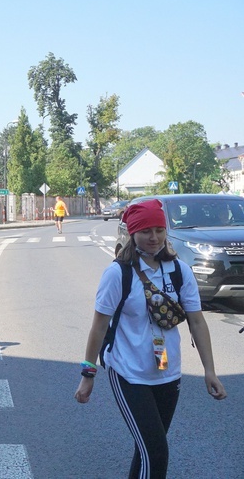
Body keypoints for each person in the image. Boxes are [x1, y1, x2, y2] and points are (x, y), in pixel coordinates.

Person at [75, 199, 226, 478]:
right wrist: (88, 373)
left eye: (159, 229)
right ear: (133, 233)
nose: (154, 237)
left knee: (147, 450)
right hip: (129, 374)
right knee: (156, 451)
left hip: (168, 375)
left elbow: (196, 321)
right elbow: (99, 326)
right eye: (146, 231)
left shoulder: (180, 271)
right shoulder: (118, 273)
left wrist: (210, 371)